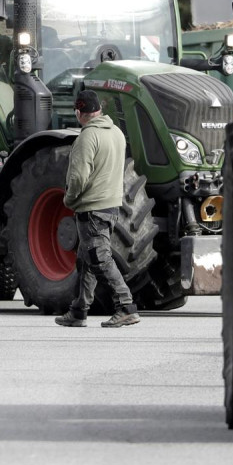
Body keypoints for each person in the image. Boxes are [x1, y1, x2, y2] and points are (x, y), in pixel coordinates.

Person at [55, 90, 139, 329]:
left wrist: (70, 199)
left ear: (79, 112)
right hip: (111, 206)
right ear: (99, 110)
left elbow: (79, 176)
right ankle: (79, 311)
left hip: (92, 208)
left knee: (99, 259)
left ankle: (126, 307)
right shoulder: (116, 133)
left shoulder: (87, 137)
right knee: (86, 260)